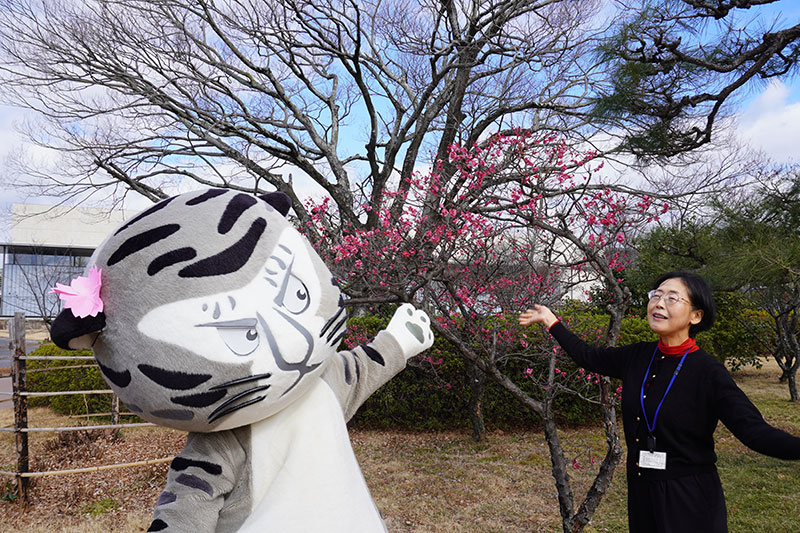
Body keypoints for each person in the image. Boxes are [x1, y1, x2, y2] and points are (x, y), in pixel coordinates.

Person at [519, 271, 800, 533]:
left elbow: (754, 431)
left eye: (672, 298)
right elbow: (588, 356)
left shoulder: (708, 372)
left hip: (688, 498)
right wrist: (551, 321)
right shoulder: (639, 356)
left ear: (696, 316)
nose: (659, 303)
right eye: (656, 295)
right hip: (642, 490)